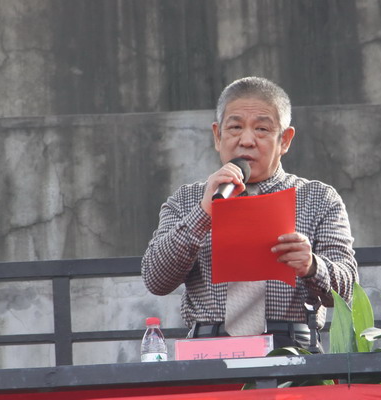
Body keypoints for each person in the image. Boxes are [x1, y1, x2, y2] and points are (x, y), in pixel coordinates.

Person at [141, 77, 358, 352]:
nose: (246, 141)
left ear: (285, 140)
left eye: (262, 129)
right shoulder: (187, 200)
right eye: (235, 127)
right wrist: (204, 214)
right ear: (217, 136)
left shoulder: (318, 198)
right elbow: (156, 280)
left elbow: (348, 290)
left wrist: (312, 266)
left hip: (292, 350)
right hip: (208, 350)